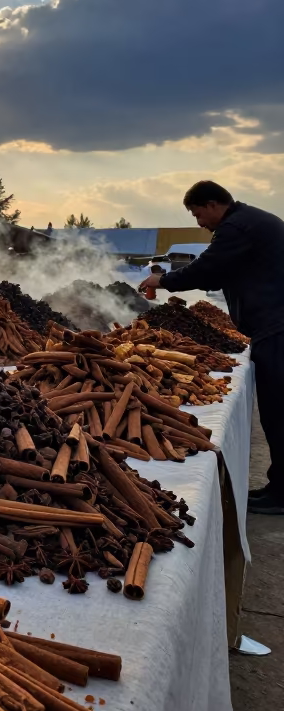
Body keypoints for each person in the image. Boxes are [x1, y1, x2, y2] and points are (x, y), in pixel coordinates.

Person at [140, 180, 284, 515]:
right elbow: (216, 276)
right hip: (273, 326)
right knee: (278, 412)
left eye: (198, 213)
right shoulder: (248, 222)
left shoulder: (238, 227)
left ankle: (282, 495)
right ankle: (279, 487)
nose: (198, 222)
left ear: (214, 204)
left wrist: (162, 280)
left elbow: (207, 268)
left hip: (278, 329)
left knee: (279, 413)